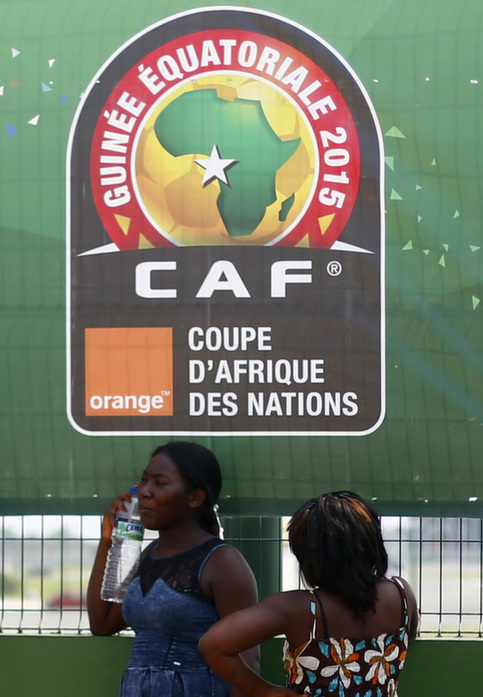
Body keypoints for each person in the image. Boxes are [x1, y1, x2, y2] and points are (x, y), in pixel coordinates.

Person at [199, 491, 419, 697]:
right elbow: (409, 635)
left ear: (309, 557)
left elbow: (213, 645)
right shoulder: (401, 594)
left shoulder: (299, 609)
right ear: (372, 544)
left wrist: (264, 691)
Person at [87, 441, 259, 697]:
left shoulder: (223, 562)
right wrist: (107, 544)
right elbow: (102, 624)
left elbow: (248, 664)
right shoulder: (149, 556)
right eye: (144, 480)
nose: (144, 491)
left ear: (195, 497)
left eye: (159, 483)